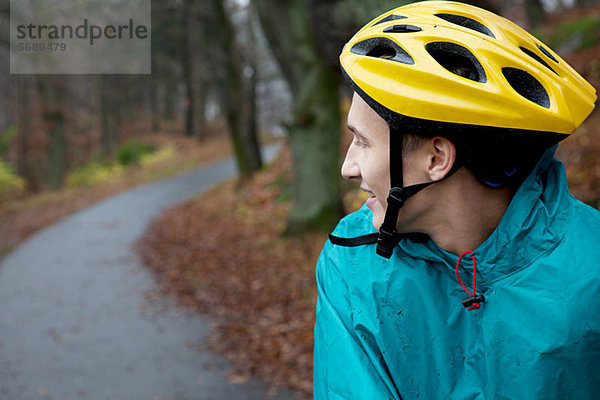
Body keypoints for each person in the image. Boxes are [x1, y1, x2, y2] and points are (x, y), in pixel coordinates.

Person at [313, 1, 599, 399]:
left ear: (436, 159)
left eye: (362, 142)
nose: (348, 167)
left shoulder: (591, 269)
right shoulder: (353, 266)